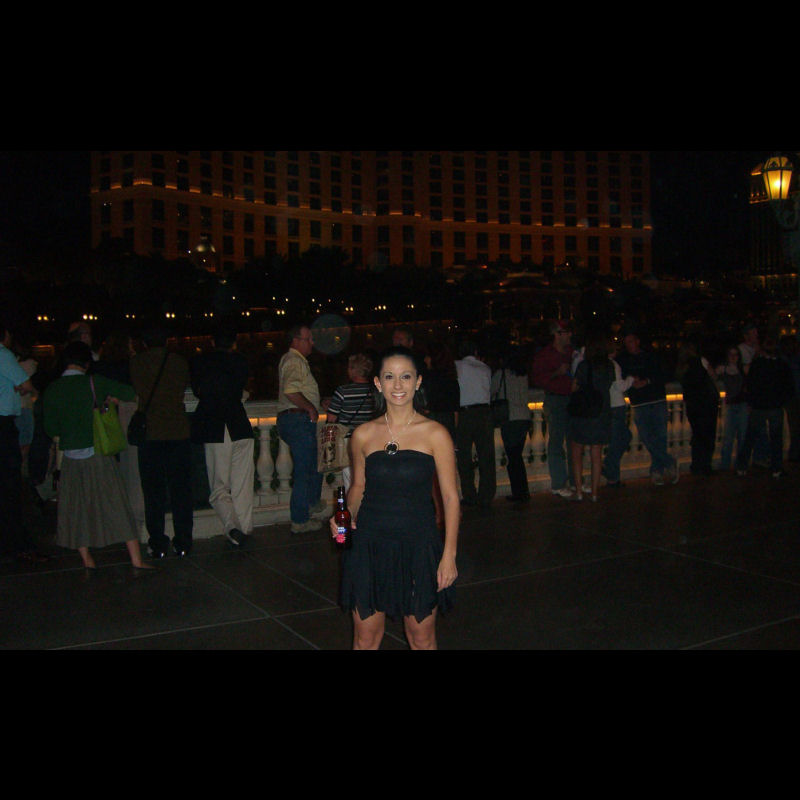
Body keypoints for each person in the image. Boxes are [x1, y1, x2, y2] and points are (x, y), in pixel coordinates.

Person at [330, 345, 458, 650]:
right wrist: (343, 515)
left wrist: (449, 555)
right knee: (365, 639)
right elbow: (358, 487)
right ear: (378, 382)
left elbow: (451, 498)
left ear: (418, 381)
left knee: (421, 638)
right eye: (389, 376)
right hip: (370, 544)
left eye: (406, 376)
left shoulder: (435, 433)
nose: (397, 385)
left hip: (418, 543)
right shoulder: (363, 434)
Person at [42, 341, 153, 572]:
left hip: (71, 457)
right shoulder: (94, 382)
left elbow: (51, 428)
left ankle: (87, 560)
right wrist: (110, 401)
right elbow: (130, 393)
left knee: (75, 508)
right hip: (98, 453)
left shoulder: (53, 389)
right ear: (86, 363)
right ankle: (136, 559)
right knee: (116, 503)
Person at [129, 328, 194, 558]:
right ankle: (183, 541)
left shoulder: (137, 363)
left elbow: (136, 388)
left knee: (153, 492)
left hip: (151, 432)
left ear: (145, 342)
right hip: (178, 430)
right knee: (181, 491)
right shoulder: (179, 362)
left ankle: (157, 543)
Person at [191, 327, 254, 547]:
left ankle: (233, 527)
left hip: (216, 426)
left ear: (212, 341)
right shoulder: (241, 361)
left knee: (219, 487)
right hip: (240, 425)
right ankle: (244, 527)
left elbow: (199, 390)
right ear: (234, 343)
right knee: (242, 484)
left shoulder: (201, 362)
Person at [0, 322, 47, 563]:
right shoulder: (3, 354)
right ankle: (18, 544)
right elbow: (26, 385)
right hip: (3, 424)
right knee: (10, 486)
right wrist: (25, 389)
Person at [277, 323, 326, 533]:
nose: (312, 343)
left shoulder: (293, 360)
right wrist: (309, 408)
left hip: (295, 419)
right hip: (298, 419)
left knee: (314, 465)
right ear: (296, 341)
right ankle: (300, 519)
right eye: (308, 339)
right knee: (305, 471)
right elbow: (291, 391)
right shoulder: (294, 361)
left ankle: (311, 503)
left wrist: (317, 403)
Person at [94, 330, 144, 530]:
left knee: (109, 471)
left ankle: (110, 517)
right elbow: (135, 394)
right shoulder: (131, 366)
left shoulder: (100, 368)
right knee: (132, 472)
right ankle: (132, 519)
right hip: (127, 420)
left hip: (104, 422)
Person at [616, 330, 679, 486]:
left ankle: (657, 470)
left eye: (631, 341)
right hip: (639, 402)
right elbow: (620, 379)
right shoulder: (622, 360)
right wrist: (631, 382)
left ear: (637, 341)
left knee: (660, 437)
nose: (629, 345)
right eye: (626, 342)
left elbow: (663, 374)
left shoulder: (651, 356)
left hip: (656, 399)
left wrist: (647, 381)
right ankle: (668, 462)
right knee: (647, 437)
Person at [735, 335, 794, 479]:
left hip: (759, 406)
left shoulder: (757, 364)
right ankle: (776, 468)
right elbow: (788, 386)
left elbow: (750, 384)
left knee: (750, 436)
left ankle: (742, 466)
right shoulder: (781, 365)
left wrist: (751, 402)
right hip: (774, 406)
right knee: (776, 438)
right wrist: (782, 401)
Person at [567, 334, 615, 502]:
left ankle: (579, 491)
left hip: (584, 412)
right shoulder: (609, 366)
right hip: (601, 412)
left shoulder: (584, 366)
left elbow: (574, 387)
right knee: (596, 454)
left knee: (577, 451)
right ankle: (594, 492)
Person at [531, 319, 575, 498]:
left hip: (572, 399)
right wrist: (557, 373)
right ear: (557, 335)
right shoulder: (545, 355)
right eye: (566, 332)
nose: (570, 335)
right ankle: (558, 483)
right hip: (556, 400)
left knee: (574, 441)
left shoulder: (572, 352)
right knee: (556, 442)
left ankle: (575, 480)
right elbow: (537, 379)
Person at [454, 339, 496, 508]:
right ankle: (486, 494)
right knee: (486, 455)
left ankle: (469, 493)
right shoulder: (485, 368)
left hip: (465, 413)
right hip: (484, 412)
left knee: (464, 455)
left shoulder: (457, 366)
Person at [325, 352, 375, 492]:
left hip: (349, 440)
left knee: (351, 480)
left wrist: (329, 407)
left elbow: (331, 418)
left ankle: (353, 505)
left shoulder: (343, 391)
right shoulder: (375, 391)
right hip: (371, 440)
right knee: (370, 478)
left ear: (354, 370)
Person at [491, 346, 532, 503]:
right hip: (524, 417)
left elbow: (491, 391)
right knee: (517, 455)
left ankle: (519, 492)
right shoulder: (523, 374)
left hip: (510, 418)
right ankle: (522, 490)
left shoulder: (502, 374)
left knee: (513, 457)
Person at [676, 338, 720, 476]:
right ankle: (705, 465)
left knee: (697, 435)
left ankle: (696, 464)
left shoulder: (682, 366)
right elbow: (714, 376)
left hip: (693, 404)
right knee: (708, 434)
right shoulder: (700, 361)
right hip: (706, 403)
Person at [601, 340, 634, 488]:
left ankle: (612, 475)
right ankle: (610, 471)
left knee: (620, 439)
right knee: (620, 439)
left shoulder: (601, 364)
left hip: (608, 406)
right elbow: (620, 386)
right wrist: (631, 379)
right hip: (616, 406)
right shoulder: (613, 365)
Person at [715, 345, 749, 471]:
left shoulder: (743, 368)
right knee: (728, 436)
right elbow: (713, 377)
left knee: (742, 436)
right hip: (730, 404)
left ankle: (740, 464)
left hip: (743, 404)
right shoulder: (723, 369)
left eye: (736, 354)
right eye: (731, 354)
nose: (733, 357)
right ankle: (725, 464)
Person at [779, 335, 800, 462]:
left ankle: (794, 453)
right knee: (794, 427)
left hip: (791, 397)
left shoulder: (787, 360)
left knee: (794, 427)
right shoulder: (786, 361)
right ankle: (794, 453)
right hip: (791, 397)